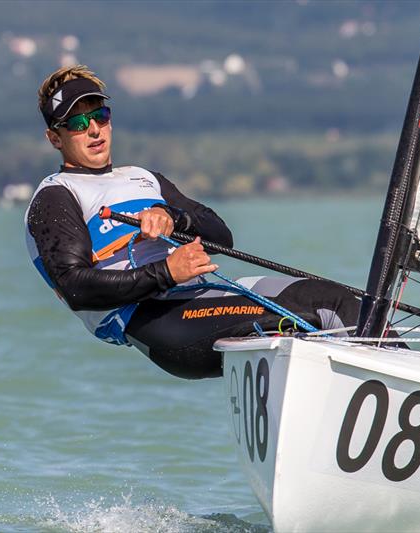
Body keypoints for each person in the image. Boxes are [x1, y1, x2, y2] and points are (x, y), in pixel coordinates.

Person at [25, 65, 359, 379]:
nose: (94, 130)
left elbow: (220, 235)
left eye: (100, 116)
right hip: (155, 320)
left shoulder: (143, 178)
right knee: (315, 311)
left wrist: (172, 218)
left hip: (199, 295)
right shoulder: (56, 196)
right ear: (55, 138)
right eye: (78, 124)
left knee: (338, 300)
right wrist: (166, 272)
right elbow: (76, 288)